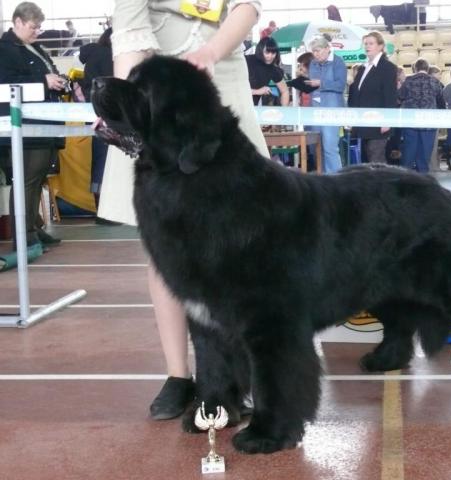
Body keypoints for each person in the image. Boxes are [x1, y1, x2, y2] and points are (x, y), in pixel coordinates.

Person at [98, 0, 271, 421]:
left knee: (242, 246)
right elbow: (130, 29)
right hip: (155, 85)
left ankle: (242, 375)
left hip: (220, 73)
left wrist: (210, 53)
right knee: (165, 250)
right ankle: (179, 376)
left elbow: (247, 8)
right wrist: (127, 109)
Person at [0, 1, 65, 249]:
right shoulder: (5, 50)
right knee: (27, 179)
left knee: (36, 179)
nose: (37, 31)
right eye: (33, 27)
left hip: (43, 123)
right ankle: (23, 235)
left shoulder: (35, 48)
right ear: (17, 22)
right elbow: (6, 83)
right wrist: (43, 80)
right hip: (25, 125)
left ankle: (33, 228)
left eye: (39, 27)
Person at [348, 31, 397, 164]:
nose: (367, 46)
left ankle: (384, 184)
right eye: (365, 44)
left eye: (371, 43)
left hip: (379, 121)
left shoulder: (388, 67)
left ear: (380, 46)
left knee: (376, 158)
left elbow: (390, 95)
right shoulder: (363, 68)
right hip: (363, 122)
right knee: (367, 159)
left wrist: (387, 120)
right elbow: (356, 94)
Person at [78, 27, 113, 214]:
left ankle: (101, 207)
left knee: (99, 159)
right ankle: (106, 211)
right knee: (107, 161)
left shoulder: (93, 56)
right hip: (107, 114)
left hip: (92, 112)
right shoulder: (108, 56)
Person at [306, 36, 347, 173]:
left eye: (318, 50)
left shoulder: (338, 62)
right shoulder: (313, 63)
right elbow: (313, 83)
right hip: (315, 110)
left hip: (332, 110)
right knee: (315, 147)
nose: (316, 54)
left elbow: (340, 86)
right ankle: (322, 178)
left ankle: (336, 180)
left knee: (330, 147)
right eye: (314, 51)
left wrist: (321, 84)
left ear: (327, 49)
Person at [397, 58, 444, 173]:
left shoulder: (408, 81)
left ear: (415, 68)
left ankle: (405, 178)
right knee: (425, 153)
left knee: (409, 151)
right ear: (427, 69)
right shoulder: (435, 82)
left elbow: (399, 97)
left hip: (410, 121)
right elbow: (441, 102)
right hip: (429, 122)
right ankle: (422, 178)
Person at [245, 36, 290, 106]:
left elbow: (285, 91)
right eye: (267, 52)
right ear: (260, 50)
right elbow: (233, 88)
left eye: (273, 53)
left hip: (252, 108)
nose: (270, 56)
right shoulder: (247, 61)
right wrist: (256, 91)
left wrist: (284, 111)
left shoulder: (273, 69)